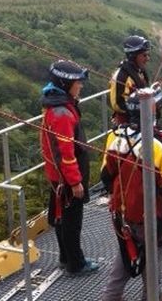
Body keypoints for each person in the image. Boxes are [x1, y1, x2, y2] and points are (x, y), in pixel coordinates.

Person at [101, 88, 162, 301]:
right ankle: (152, 296)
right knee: (152, 261)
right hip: (151, 215)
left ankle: (111, 297)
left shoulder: (115, 137)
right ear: (153, 112)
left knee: (124, 256)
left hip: (121, 212)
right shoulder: (159, 144)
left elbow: (106, 175)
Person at [40, 59, 99, 275]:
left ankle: (66, 258)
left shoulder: (55, 104)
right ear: (66, 85)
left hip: (57, 176)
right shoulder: (63, 113)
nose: (80, 85)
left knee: (61, 218)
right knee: (72, 222)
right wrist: (75, 183)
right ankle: (76, 264)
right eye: (77, 83)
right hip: (66, 178)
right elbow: (67, 154)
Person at [110, 34, 151, 125]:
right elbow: (117, 104)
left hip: (142, 118)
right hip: (127, 122)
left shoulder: (139, 71)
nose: (148, 58)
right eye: (144, 55)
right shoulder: (122, 76)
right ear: (133, 56)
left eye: (148, 55)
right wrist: (139, 108)